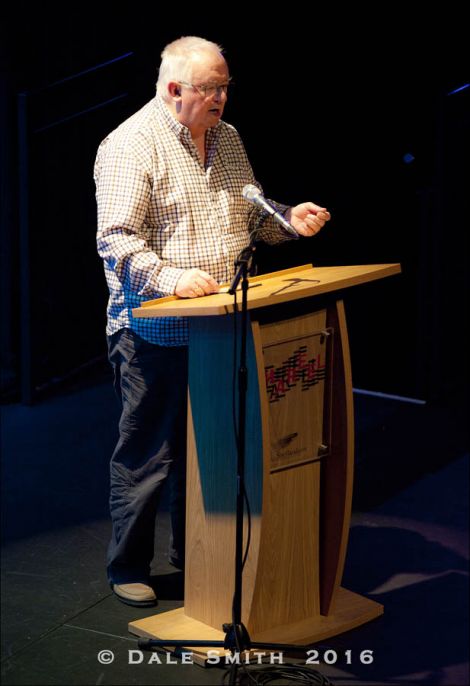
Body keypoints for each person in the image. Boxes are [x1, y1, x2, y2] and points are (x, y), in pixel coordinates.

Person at [94, 36, 331, 607]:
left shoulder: (227, 139)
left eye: (226, 86)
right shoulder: (131, 145)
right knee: (151, 453)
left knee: (214, 448)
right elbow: (116, 239)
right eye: (212, 88)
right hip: (155, 331)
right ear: (176, 89)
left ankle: (198, 549)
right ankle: (128, 565)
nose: (223, 97)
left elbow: (247, 213)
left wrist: (287, 221)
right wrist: (171, 278)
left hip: (225, 324)